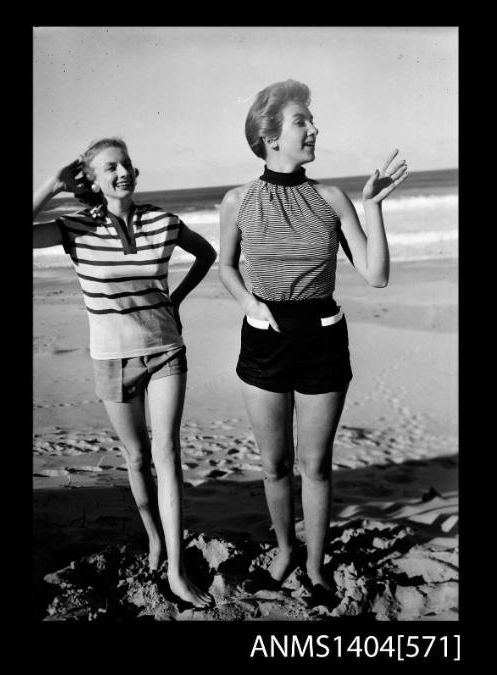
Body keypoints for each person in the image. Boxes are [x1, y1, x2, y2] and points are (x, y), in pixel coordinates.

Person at [219, 80, 408, 595]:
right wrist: (248, 304)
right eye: (302, 120)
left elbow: (376, 275)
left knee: (316, 465)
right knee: (275, 465)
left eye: (310, 119)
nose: (314, 128)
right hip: (263, 340)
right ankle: (285, 550)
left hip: (323, 339)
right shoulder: (238, 201)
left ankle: (318, 565)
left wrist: (374, 207)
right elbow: (227, 265)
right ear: (270, 135)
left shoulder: (331, 198)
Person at [33, 137, 216, 608]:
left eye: (127, 163)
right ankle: (154, 535)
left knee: (167, 452)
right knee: (136, 459)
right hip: (111, 358)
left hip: (165, 351)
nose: (123, 171)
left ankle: (176, 569)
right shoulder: (73, 227)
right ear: (93, 179)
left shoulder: (162, 221)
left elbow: (207, 254)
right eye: (110, 167)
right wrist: (52, 185)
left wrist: (176, 300)